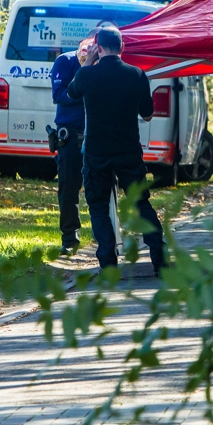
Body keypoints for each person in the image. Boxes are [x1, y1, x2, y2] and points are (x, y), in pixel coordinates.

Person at [67, 26, 166, 273]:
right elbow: (148, 114)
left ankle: (108, 262)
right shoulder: (136, 74)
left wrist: (88, 61)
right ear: (123, 47)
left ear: (98, 48)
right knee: (141, 203)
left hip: (96, 152)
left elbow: (71, 91)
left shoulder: (88, 75)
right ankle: (160, 258)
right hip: (128, 151)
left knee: (98, 206)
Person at [50, 48, 85, 255]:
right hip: (72, 134)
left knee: (105, 186)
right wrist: (83, 89)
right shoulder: (66, 61)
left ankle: (108, 237)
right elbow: (58, 94)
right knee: (69, 187)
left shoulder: (108, 62)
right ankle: (70, 238)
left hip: (100, 132)